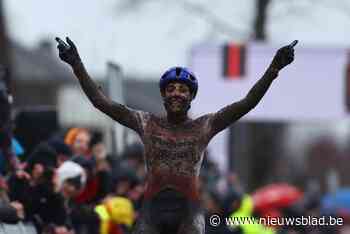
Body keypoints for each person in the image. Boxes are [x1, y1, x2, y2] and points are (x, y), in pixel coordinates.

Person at [56, 36, 297, 234]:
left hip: (188, 211)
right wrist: (77, 66)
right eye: (171, 89)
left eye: (183, 90)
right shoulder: (145, 122)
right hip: (152, 208)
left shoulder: (205, 126)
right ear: (163, 95)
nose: (176, 94)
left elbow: (247, 103)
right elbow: (101, 102)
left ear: (191, 97)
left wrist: (273, 68)